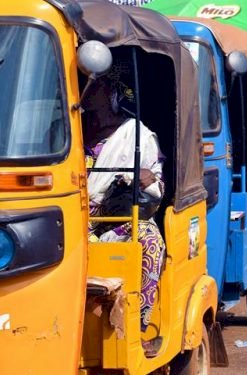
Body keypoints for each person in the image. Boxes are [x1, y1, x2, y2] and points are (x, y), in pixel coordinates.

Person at [81, 59, 165, 357]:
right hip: (69, 217)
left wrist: (145, 179)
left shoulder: (134, 133)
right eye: (87, 84)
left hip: (111, 219)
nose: (89, 92)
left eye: (97, 85)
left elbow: (156, 186)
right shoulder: (68, 128)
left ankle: (139, 326)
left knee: (150, 242)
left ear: (112, 92)